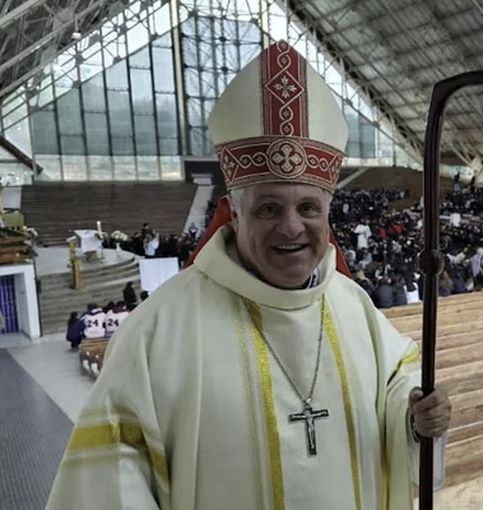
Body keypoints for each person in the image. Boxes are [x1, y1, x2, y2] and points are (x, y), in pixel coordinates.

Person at [46, 41, 450, 510]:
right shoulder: (158, 331)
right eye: (269, 208)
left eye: (308, 208)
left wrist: (418, 416)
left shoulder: (353, 306)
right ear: (234, 214)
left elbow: (400, 383)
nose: (292, 227)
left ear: (328, 214)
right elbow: (110, 482)